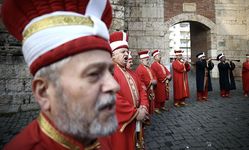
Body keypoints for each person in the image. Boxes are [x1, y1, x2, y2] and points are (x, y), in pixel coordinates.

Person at [2, 0, 120, 150]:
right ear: (43, 92)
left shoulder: (100, 133)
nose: (115, 85)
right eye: (94, 74)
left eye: (111, 72)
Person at [105, 31, 149, 150]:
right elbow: (112, 97)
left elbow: (142, 90)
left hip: (135, 121)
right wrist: (135, 113)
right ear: (113, 55)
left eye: (127, 51)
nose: (127, 54)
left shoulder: (131, 73)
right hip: (120, 124)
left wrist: (144, 107)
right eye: (122, 52)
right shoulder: (108, 71)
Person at [136, 50, 157, 124]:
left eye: (148, 60)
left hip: (151, 89)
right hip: (145, 90)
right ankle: (145, 118)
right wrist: (149, 82)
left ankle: (148, 117)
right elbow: (139, 81)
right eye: (146, 60)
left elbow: (154, 75)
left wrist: (154, 80)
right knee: (145, 103)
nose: (148, 61)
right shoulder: (139, 69)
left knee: (150, 103)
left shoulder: (149, 68)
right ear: (142, 60)